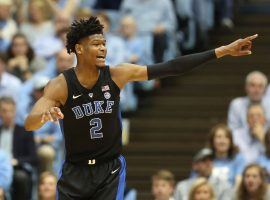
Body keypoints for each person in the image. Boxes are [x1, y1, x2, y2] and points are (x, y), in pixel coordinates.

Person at [24, 16, 257, 199]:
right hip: (75, 170)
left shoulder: (117, 74)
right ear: (79, 49)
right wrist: (43, 116)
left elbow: (171, 67)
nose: (103, 48)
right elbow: (29, 122)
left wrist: (222, 51)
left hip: (109, 170)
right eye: (96, 44)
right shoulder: (61, 84)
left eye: (104, 43)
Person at [0, 96, 37, 200]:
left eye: (11, 111)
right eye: (4, 111)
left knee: (21, 177)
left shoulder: (25, 131)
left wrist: (16, 161)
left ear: (15, 111)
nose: (8, 114)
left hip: (16, 167)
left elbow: (33, 158)